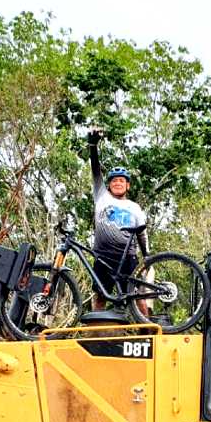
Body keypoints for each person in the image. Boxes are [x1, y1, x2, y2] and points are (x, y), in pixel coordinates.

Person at [87, 129, 149, 312]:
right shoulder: (101, 196)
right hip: (102, 257)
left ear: (128, 185)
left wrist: (147, 258)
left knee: (138, 297)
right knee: (99, 296)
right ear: (108, 185)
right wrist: (93, 146)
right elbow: (95, 169)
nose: (118, 183)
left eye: (122, 180)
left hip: (128, 258)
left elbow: (142, 234)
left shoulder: (134, 207)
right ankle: (95, 335)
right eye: (114, 181)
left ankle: (147, 329)